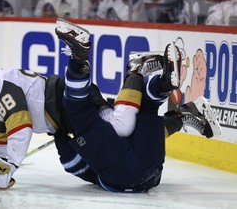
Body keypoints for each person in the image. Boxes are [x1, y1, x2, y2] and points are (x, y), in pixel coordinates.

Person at [53, 18, 221, 192]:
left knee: (144, 116)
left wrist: (59, 136)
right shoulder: (92, 121)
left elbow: (72, 164)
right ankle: (136, 72)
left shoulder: (86, 129)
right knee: (139, 114)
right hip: (126, 171)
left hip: (149, 175)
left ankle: (173, 100)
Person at [0, 49, 109, 189]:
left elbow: (20, 126)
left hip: (69, 103)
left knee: (108, 136)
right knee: (71, 163)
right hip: (60, 121)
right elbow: (1, 136)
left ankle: (120, 174)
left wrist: (10, 164)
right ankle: (109, 179)